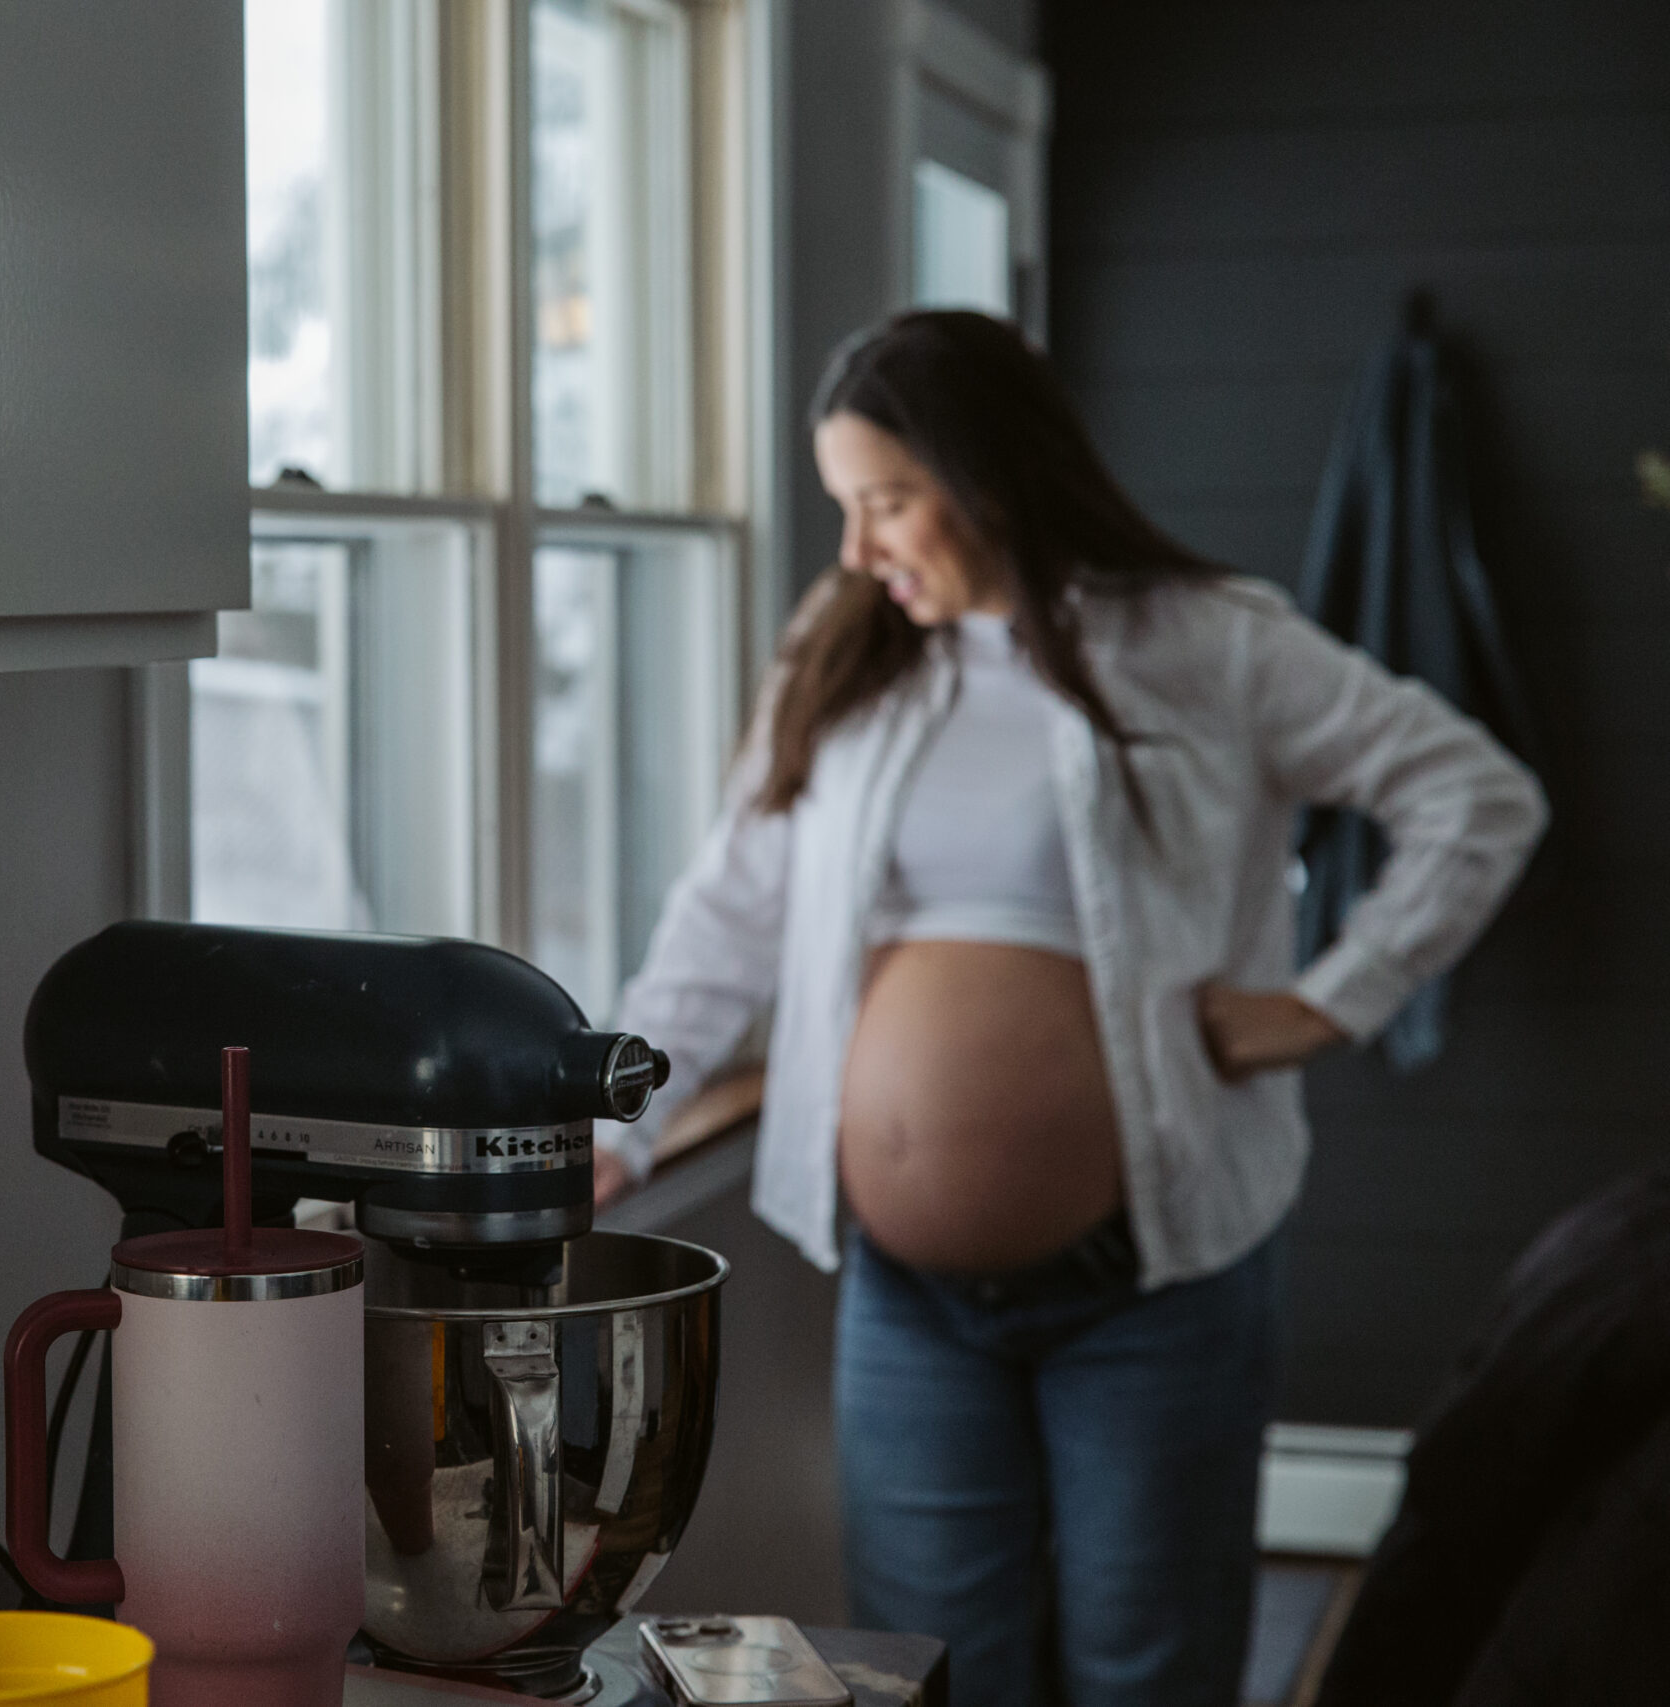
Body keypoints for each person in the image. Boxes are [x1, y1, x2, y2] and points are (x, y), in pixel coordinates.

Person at [592, 311, 1546, 1707]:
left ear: (992, 472)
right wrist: (624, 1112)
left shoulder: (1207, 640)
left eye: (889, 503)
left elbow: (1477, 796)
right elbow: (729, 905)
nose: (858, 549)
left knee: (1144, 1666)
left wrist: (1327, 1004)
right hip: (908, 1299)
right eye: (846, 509)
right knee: (933, 1668)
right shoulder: (842, 650)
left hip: (1153, 1287)